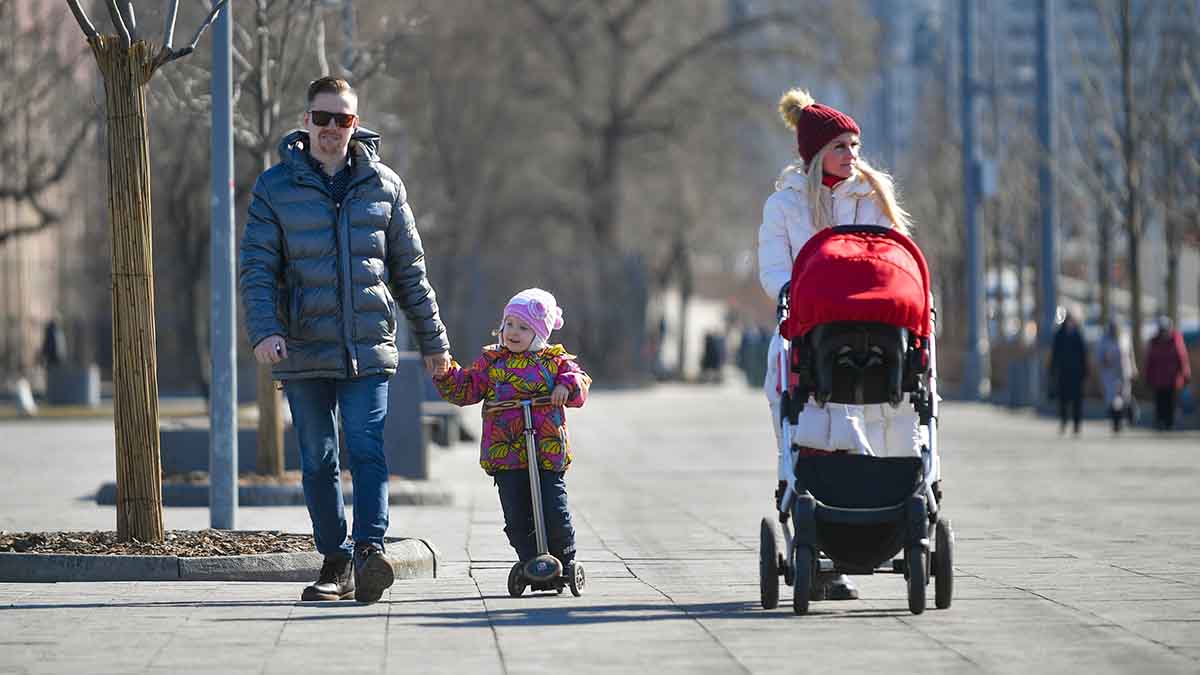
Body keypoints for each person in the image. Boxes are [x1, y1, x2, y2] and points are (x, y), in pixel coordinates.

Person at [238, 76, 451, 603]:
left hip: (367, 347)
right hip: (304, 348)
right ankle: (334, 562)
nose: (333, 129)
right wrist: (265, 331)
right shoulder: (275, 187)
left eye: (344, 119)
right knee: (317, 458)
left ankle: (369, 551)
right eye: (324, 118)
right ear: (306, 121)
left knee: (368, 447)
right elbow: (258, 269)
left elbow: (411, 275)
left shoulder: (385, 185)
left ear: (356, 124)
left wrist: (435, 343)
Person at [757, 88, 916, 601]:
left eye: (855, 145)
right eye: (842, 146)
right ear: (816, 153)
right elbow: (775, 270)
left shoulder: (871, 199)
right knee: (807, 428)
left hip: (872, 335)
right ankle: (824, 546)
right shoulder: (784, 205)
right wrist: (800, 298)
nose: (852, 156)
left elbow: (892, 262)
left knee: (877, 424)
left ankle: (880, 525)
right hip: (807, 333)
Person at [433, 289, 591, 583]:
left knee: (553, 507)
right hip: (505, 452)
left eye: (524, 327)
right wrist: (445, 373)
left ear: (540, 333)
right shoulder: (492, 362)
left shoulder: (554, 361)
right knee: (516, 515)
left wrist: (565, 387)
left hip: (546, 448)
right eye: (510, 325)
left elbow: (579, 381)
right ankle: (530, 560)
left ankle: (564, 559)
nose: (513, 333)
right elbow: (467, 388)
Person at [1144, 316, 1191, 431]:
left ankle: (1169, 423)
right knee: (1159, 401)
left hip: (1172, 379)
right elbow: (1150, 361)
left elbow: (1182, 358)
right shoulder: (1154, 342)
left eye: (1165, 330)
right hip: (1158, 379)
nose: (1163, 333)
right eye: (1161, 330)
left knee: (1170, 402)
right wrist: (1148, 376)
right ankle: (1160, 422)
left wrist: (1185, 374)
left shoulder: (1176, 340)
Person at [1048, 311, 1088, 436]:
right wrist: (1053, 370)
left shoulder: (1078, 335)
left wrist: (1085, 371)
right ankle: (1063, 421)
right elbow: (1055, 354)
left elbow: (1083, 355)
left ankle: (1076, 424)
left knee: (1077, 400)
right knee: (1063, 400)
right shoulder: (1059, 335)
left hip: (1076, 374)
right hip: (1063, 373)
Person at [1097, 320, 1136, 433]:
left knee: (1125, 396)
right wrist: (1105, 360)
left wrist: (1133, 367)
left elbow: (1130, 353)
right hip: (1110, 374)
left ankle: (1129, 414)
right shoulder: (1104, 340)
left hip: (1124, 371)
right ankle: (1116, 423)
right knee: (1113, 399)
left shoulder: (1125, 337)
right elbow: (1099, 357)